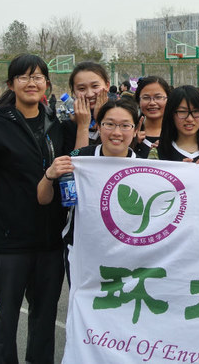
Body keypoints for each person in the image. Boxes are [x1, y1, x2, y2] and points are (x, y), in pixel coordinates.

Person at [0, 54, 68, 364]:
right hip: (8, 243)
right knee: (3, 318)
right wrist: (9, 206)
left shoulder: (55, 126)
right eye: (23, 77)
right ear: (11, 84)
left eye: (37, 77)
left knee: (44, 318)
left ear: (47, 83)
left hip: (49, 242)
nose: (31, 82)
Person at [39, 98, 140, 284]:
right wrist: (49, 176)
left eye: (125, 125)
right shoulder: (79, 159)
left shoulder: (145, 167)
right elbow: (43, 199)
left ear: (135, 130)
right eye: (109, 124)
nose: (117, 132)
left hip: (127, 252)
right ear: (99, 127)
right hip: (82, 249)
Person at [148, 85, 199, 168]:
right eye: (182, 112)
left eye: (196, 111)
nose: (190, 119)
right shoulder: (157, 153)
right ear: (171, 114)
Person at [62, 61, 112, 151]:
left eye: (95, 86)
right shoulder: (67, 126)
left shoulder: (122, 116)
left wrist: (101, 119)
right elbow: (74, 156)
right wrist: (83, 127)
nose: (89, 94)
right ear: (73, 92)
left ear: (107, 86)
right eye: (81, 88)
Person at [133, 76, 171, 159]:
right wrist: (132, 143)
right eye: (146, 98)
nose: (152, 103)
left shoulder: (178, 133)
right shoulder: (129, 131)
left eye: (158, 97)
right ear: (138, 101)